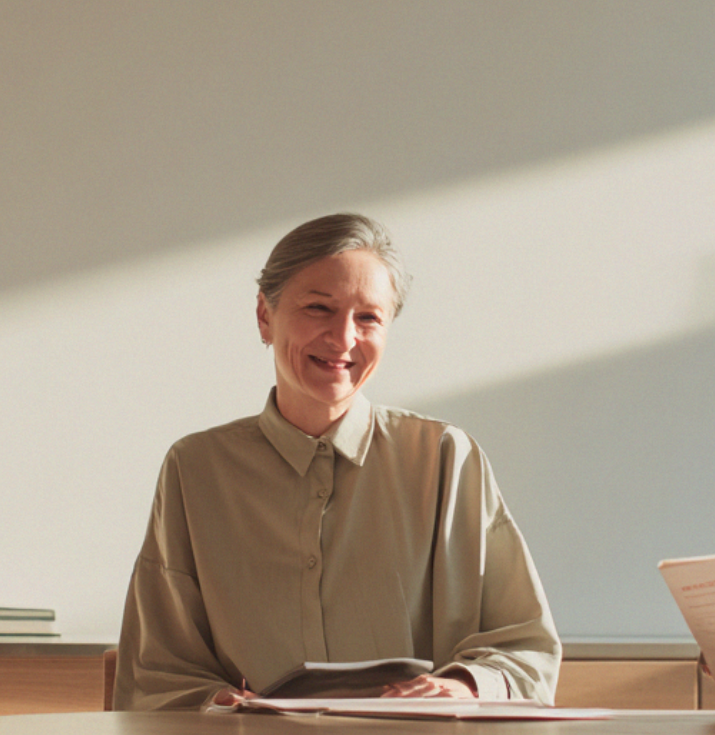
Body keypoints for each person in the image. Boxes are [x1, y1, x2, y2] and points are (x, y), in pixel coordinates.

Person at [114, 213, 560, 709]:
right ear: (264, 315)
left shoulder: (445, 459)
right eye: (319, 308)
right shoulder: (194, 469)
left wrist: (464, 686)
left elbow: (524, 648)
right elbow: (157, 673)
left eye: (368, 317)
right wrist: (221, 706)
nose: (344, 337)